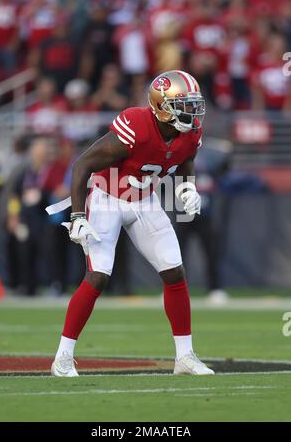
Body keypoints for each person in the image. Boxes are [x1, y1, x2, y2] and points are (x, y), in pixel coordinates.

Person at [49, 70, 214, 377]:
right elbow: (82, 163)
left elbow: (185, 156)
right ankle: (63, 357)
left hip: (143, 200)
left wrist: (187, 187)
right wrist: (77, 216)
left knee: (174, 270)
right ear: (161, 106)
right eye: (184, 104)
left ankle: (185, 357)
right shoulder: (136, 124)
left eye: (193, 104)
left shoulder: (189, 132)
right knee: (98, 276)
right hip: (106, 197)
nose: (192, 112)